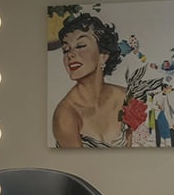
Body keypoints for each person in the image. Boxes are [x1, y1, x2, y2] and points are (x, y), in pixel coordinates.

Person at [52, 13, 129, 148]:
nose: (70, 55)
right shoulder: (65, 114)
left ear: (103, 56)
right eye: (66, 49)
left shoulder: (128, 98)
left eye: (80, 46)